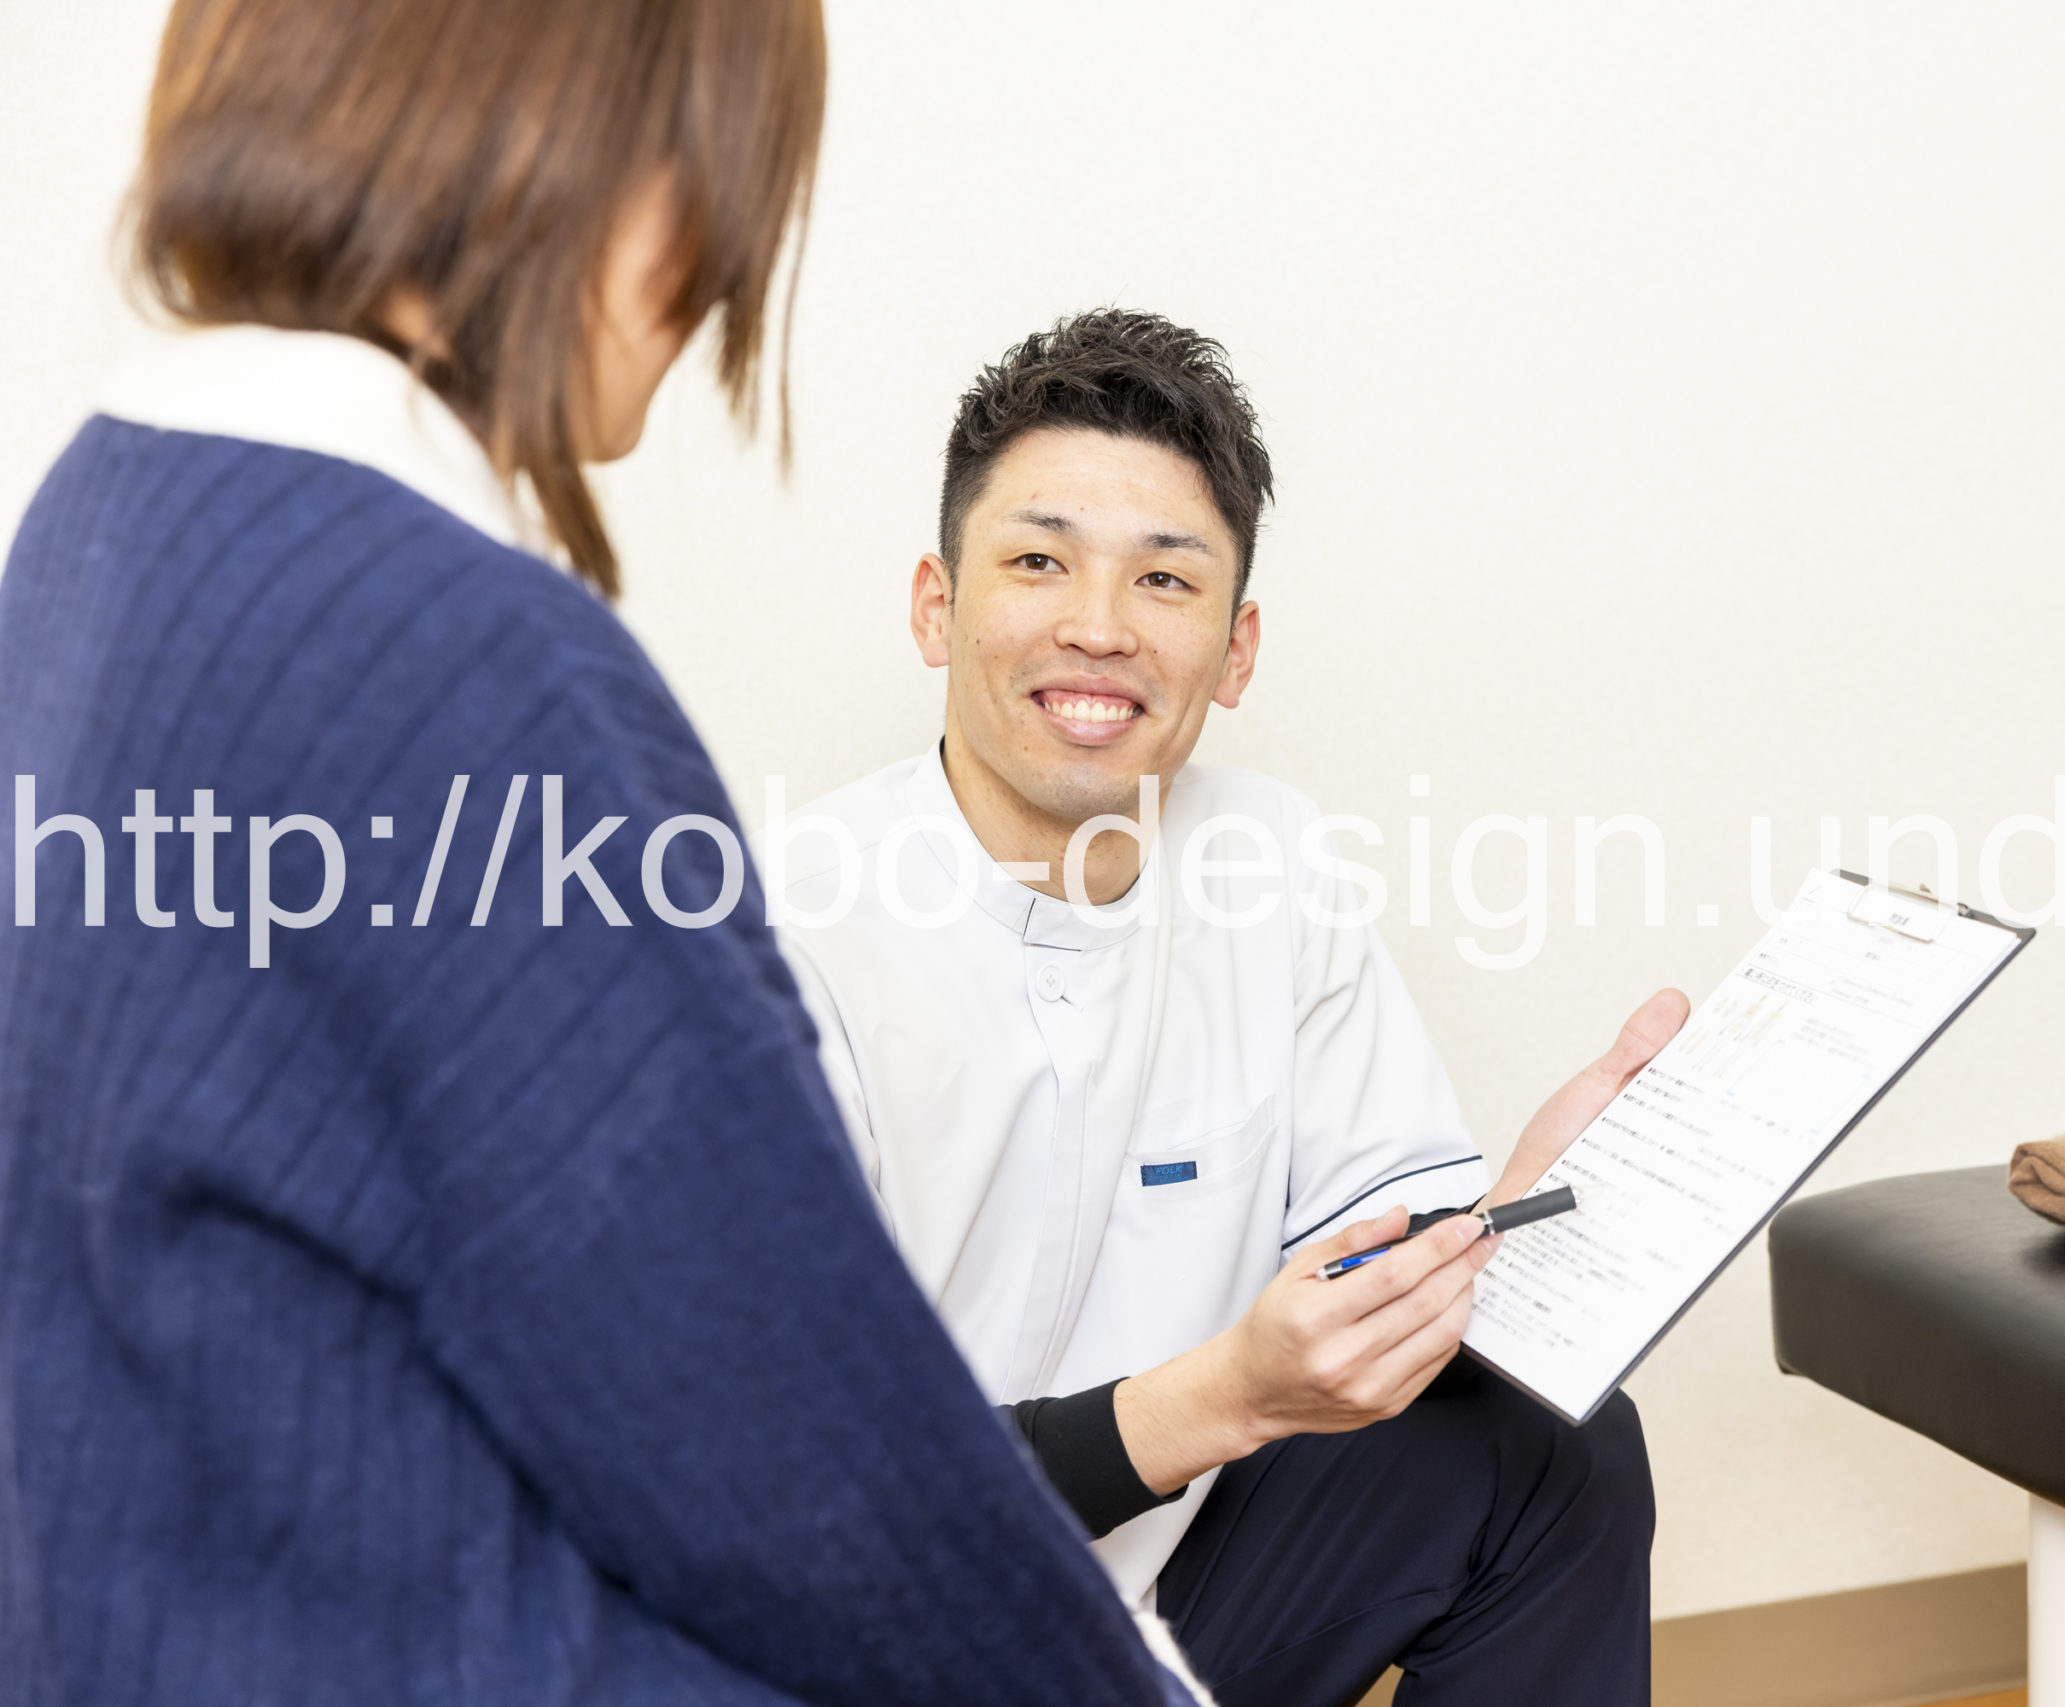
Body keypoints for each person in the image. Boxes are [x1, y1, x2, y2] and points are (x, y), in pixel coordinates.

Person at [0, 5, 1202, 1704]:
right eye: (721, 182)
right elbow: (796, 1446)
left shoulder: (104, 517)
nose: (722, 279)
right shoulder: (464, 666)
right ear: (585, 159)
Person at [779, 308, 1686, 1707]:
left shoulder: (1268, 858)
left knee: (1548, 1443)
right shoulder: (776, 945)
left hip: (1154, 1595)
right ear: (935, 608)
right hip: (852, 1649)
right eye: (1038, 560)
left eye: (1164, 579)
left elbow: (1372, 1256)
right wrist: (1227, 1397)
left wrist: (1512, 1215)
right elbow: (803, 1499)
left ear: (1237, 648)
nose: (1098, 628)